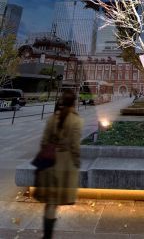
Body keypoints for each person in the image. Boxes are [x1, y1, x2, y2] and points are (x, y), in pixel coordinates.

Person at [34, 90, 83, 239]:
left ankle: (47, 235)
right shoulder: (76, 120)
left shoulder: (51, 119)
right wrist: (76, 161)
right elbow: (75, 146)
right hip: (64, 164)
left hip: (49, 162)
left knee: (50, 202)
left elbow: (43, 141)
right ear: (74, 103)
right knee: (56, 199)